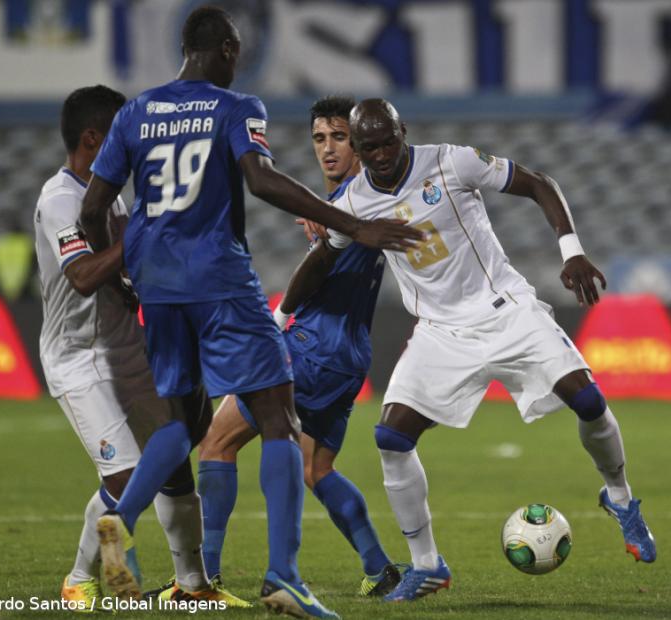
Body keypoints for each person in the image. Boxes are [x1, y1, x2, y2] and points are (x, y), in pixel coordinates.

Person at [79, 7, 421, 618]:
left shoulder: (134, 112)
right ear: (230, 49)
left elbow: (93, 208)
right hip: (217, 277)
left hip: (156, 285)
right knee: (278, 417)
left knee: (185, 422)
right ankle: (284, 577)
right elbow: (260, 181)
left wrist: (132, 269)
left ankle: (118, 519)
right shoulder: (235, 107)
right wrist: (353, 226)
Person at [313, 99, 658, 602]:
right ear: (358, 151)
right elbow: (321, 257)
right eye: (369, 147)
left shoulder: (453, 161)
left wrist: (573, 251)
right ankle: (427, 565)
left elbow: (539, 183)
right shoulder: (353, 203)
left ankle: (621, 499)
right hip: (440, 332)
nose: (382, 153)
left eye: (389, 140)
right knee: (390, 437)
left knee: (588, 402)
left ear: (402, 131)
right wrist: (281, 317)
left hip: (506, 311)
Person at [33, 85, 249, 608]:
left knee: (173, 464)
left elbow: (131, 261)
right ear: (93, 138)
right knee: (130, 475)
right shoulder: (60, 200)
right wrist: (143, 238)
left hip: (129, 348)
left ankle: (191, 586)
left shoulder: (111, 194)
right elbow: (83, 275)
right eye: (122, 134)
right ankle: (79, 579)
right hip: (79, 357)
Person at [194, 94, 402, 599]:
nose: (328, 149)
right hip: (350, 358)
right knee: (315, 467)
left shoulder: (353, 203)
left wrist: (281, 313)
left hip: (311, 347)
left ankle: (202, 577)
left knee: (216, 444)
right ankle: (380, 567)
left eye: (339, 138)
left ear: (361, 143)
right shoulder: (349, 204)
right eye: (319, 138)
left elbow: (321, 266)